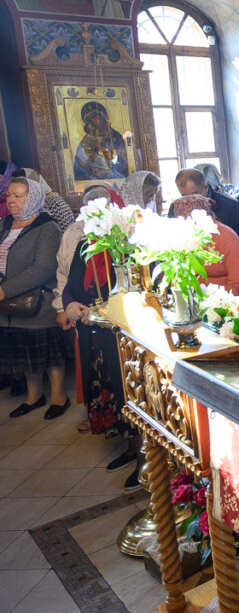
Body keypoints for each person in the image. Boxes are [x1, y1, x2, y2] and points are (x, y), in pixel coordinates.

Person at [59, 185, 140, 486]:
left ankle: (145, 458)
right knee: (108, 390)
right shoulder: (85, 245)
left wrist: (101, 312)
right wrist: (69, 304)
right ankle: (130, 449)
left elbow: (133, 292)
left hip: (118, 334)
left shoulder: (127, 248)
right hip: (90, 334)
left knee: (128, 392)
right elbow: (70, 283)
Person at [3, 177, 73, 419]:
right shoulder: (5, 225)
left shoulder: (47, 227)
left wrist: (5, 289)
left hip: (37, 302)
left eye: (18, 196)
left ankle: (58, 397)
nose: (11, 200)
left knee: (50, 354)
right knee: (24, 352)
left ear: (32, 197)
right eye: (9, 195)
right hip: (10, 305)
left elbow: (43, 268)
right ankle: (33, 397)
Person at [175, 167, 239, 294]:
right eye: (184, 196)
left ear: (205, 187)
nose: (189, 201)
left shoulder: (231, 207)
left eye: (194, 195)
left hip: (230, 290)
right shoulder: (177, 208)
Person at [171, 194, 239, 299]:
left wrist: (214, 304)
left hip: (229, 302)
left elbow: (238, 282)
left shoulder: (227, 237)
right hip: (195, 301)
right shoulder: (182, 239)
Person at [73, 101, 129, 180]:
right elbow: (79, 165)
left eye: (94, 116)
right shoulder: (86, 140)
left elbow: (124, 162)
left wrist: (110, 171)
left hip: (116, 177)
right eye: (89, 119)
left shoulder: (116, 137)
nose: (92, 121)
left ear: (103, 117)